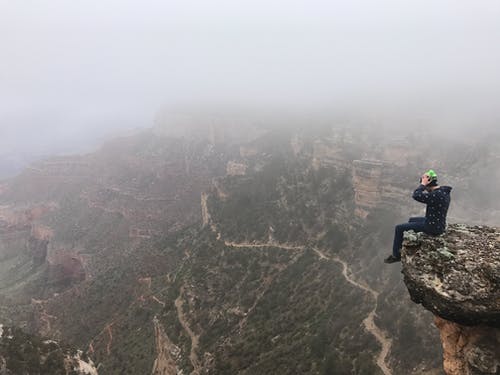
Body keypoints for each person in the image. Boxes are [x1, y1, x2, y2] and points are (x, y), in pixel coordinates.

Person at [384, 169, 452, 264]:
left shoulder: (436, 195)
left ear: (428, 184)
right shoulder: (443, 192)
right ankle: (411, 241)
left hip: (432, 227)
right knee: (412, 220)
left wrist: (422, 185)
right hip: (438, 223)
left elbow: (416, 195)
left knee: (399, 228)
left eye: (426, 187)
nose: (426, 191)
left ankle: (396, 255)